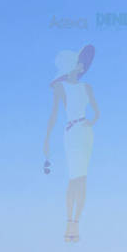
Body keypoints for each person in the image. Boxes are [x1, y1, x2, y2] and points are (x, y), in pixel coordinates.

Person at [44, 46, 99, 242]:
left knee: (81, 178)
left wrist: (89, 122)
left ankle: (76, 223)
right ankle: (70, 224)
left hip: (84, 132)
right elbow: (53, 115)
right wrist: (47, 140)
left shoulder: (87, 88)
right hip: (72, 133)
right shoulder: (61, 88)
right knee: (73, 177)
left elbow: (96, 111)